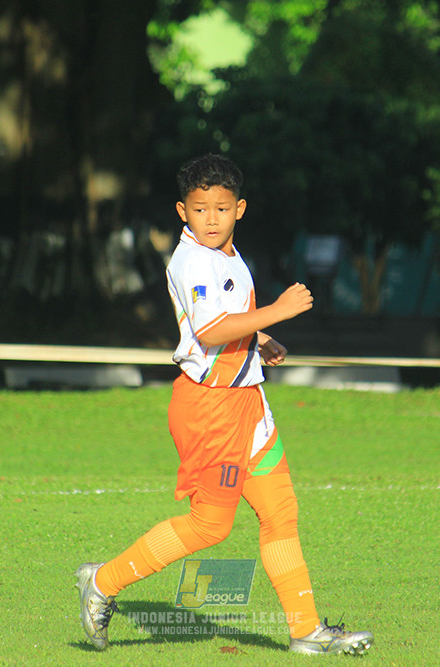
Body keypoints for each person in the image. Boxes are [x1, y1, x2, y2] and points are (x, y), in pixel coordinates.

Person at [75, 154, 373, 656]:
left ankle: (306, 631)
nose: (211, 218)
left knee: (281, 511)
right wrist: (274, 312)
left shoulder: (228, 255)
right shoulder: (191, 259)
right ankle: (102, 582)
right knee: (210, 526)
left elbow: (226, 323)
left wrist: (259, 338)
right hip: (210, 411)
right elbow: (209, 329)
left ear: (240, 209)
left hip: (248, 405)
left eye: (221, 208)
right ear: (181, 211)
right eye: (199, 208)